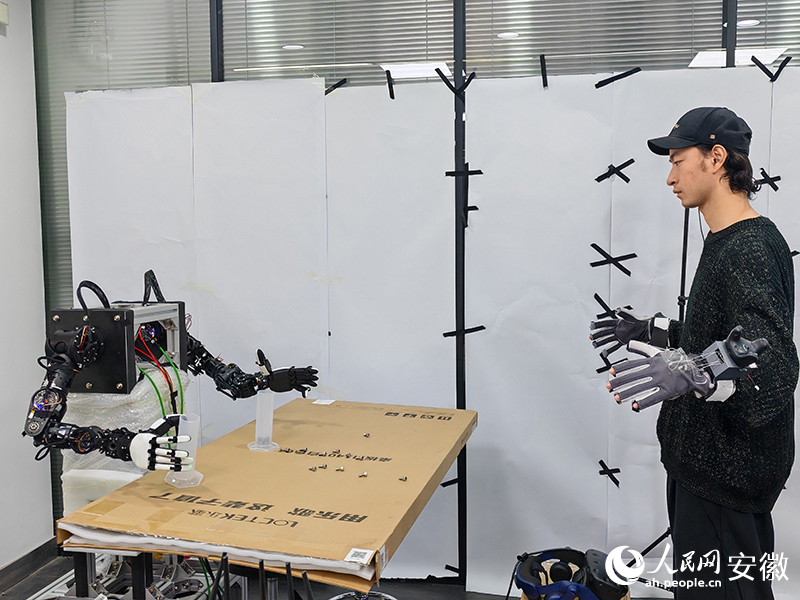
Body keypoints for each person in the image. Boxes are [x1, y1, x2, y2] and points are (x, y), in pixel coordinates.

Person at [604, 107, 798, 598]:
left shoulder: (749, 248)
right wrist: (655, 331)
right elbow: (722, 335)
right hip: (704, 469)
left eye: (677, 161)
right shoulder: (727, 239)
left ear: (716, 158)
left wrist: (700, 371)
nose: (670, 178)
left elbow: (772, 367)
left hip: (725, 478)